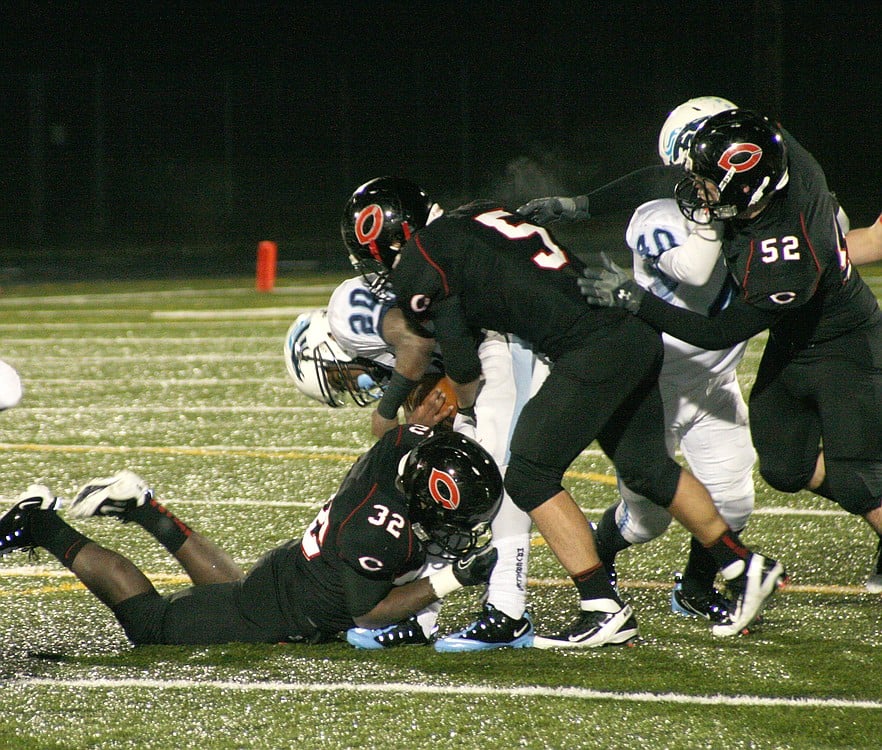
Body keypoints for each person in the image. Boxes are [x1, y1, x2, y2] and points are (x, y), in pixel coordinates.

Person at [341, 176, 787, 647]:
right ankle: (741, 565)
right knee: (648, 468)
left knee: (529, 474)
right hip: (631, 330)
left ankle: (601, 605)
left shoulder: (421, 260)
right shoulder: (477, 209)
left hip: (589, 347)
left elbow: (463, 365)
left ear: (390, 235)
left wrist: (465, 411)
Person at [579, 109, 882, 595]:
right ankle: (604, 555)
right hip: (681, 377)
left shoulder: (781, 252)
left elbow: (718, 326)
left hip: (778, 361)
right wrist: (581, 205)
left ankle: (697, 588)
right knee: (661, 515)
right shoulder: (771, 166)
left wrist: (637, 300)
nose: (695, 189)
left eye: (705, 180)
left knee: (785, 493)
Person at [0, 428, 504, 646]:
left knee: (234, 593)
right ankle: (41, 522)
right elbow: (369, 611)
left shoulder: (402, 446)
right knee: (150, 626)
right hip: (286, 607)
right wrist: (452, 578)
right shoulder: (378, 536)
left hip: (290, 575)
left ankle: (148, 512)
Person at [285, 272, 544, 651]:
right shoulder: (385, 355)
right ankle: (421, 619)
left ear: (326, 347)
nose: (356, 387)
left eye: (340, 379)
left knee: (500, 473)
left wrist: (393, 410)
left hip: (507, 346)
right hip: (479, 360)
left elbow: (421, 341)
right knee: (436, 484)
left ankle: (508, 609)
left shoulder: (347, 317)